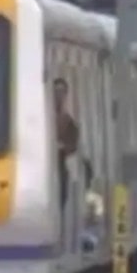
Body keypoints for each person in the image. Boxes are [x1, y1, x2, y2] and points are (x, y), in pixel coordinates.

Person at [54, 78, 80, 210]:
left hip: (65, 160)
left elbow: (74, 142)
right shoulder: (50, 117)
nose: (58, 95)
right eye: (56, 91)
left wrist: (64, 146)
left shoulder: (69, 119)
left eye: (62, 92)